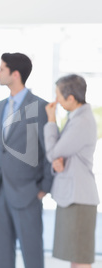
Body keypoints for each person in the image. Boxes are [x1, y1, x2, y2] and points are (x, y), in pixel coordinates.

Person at [0, 52, 53, 268]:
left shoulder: (41, 107)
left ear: (15, 74)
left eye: (2, 69)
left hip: (27, 192)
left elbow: (49, 148)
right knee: (2, 257)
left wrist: (44, 187)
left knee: (32, 255)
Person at [44, 74, 99, 268]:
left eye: (58, 95)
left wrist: (51, 121)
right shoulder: (75, 117)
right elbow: (60, 154)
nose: (56, 100)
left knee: (80, 259)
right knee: (75, 257)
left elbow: (53, 151)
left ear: (71, 99)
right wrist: (58, 161)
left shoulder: (82, 121)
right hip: (73, 197)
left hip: (79, 198)